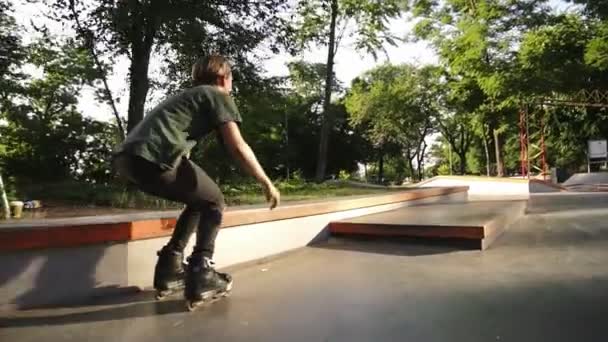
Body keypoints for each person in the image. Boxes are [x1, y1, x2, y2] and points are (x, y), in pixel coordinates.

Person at [112, 55, 280, 307]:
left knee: (199, 200)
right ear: (224, 78)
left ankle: (170, 268)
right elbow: (237, 145)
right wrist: (266, 180)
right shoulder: (219, 95)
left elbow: (172, 131)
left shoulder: (189, 97)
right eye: (231, 78)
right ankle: (201, 271)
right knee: (214, 201)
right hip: (153, 157)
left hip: (127, 159)